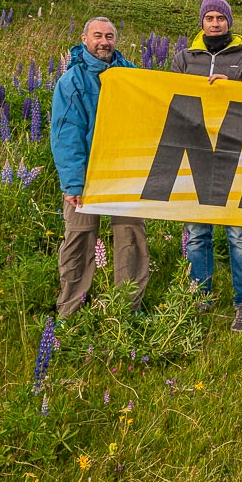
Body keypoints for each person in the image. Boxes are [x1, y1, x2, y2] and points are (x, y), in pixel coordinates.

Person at [170, 0, 242, 332]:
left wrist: (236, 89)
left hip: (236, 155)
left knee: (240, 235)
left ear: (230, 21)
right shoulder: (184, 58)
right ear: (201, 22)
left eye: (220, 18)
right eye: (209, 17)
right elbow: (171, 100)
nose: (215, 23)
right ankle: (200, 299)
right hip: (194, 155)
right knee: (197, 234)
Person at [51, 17, 150, 318]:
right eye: (97, 36)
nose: (104, 42)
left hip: (124, 172)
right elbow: (66, 134)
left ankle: (127, 310)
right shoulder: (72, 81)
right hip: (86, 174)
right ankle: (70, 311)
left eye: (109, 36)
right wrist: (73, 183)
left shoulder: (132, 75)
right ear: (84, 39)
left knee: (131, 239)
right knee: (79, 239)